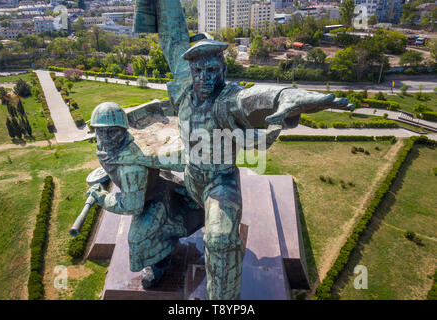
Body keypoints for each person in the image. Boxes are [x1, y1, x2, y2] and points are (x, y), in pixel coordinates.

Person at [147, 0, 352, 299]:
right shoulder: (184, 91)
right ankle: (159, 258)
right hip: (190, 180)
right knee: (149, 209)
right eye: (199, 70)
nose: (206, 77)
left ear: (223, 68)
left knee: (219, 240)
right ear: (190, 70)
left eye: (213, 69)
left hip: (220, 185)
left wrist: (286, 95)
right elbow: (171, 36)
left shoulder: (227, 99)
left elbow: (254, 97)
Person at [87, 102, 203, 288]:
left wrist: (103, 198)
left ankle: (159, 263)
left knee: (138, 238)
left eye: (112, 131)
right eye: (101, 131)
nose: (105, 138)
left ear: (123, 130)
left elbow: (132, 206)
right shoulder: (109, 146)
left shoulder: (131, 167)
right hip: (152, 185)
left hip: (154, 198)